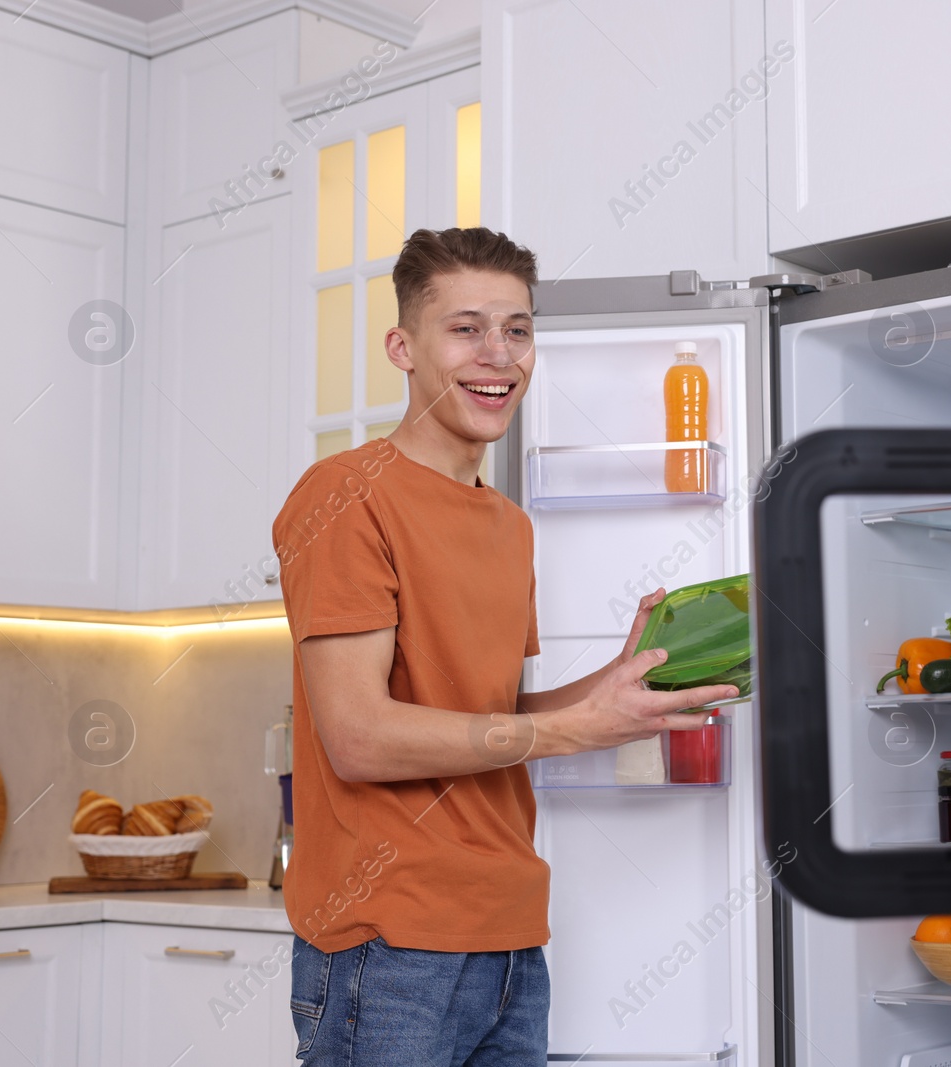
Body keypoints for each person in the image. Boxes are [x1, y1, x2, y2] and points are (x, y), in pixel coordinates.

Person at [271, 227, 737, 1066]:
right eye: (466, 328)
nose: (498, 355)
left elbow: (487, 717)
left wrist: (615, 689)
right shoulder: (345, 496)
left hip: (512, 936)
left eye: (517, 329)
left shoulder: (507, 524)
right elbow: (360, 736)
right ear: (403, 347)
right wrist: (570, 732)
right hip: (390, 937)